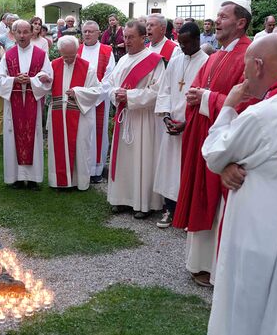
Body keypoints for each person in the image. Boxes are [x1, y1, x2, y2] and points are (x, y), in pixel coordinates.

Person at [203, 33, 277, 335]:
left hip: (259, 235)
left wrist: (228, 107)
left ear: (257, 65)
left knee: (248, 308)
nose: (242, 75)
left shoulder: (263, 114)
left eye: (245, 67)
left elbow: (214, 152)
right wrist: (231, 165)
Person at [172, 1, 254, 287]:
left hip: (227, 145)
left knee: (218, 205)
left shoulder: (249, 55)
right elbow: (196, 90)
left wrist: (205, 98)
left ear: (241, 23)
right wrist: (199, 98)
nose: (216, 21)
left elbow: (248, 100)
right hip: (203, 137)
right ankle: (199, 262)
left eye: (223, 16)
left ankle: (217, 268)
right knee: (201, 197)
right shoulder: (216, 55)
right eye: (216, 16)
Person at [106, 20, 165, 217]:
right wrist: (117, 94)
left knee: (142, 158)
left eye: (131, 37)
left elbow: (158, 91)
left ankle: (143, 203)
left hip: (143, 119)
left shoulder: (154, 61)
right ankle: (121, 198)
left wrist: (129, 96)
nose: (127, 41)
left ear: (143, 37)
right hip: (125, 116)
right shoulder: (122, 60)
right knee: (123, 159)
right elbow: (109, 85)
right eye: (125, 37)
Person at [153, 22, 209, 228]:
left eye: (186, 43)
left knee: (187, 169)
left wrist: (186, 123)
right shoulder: (176, 61)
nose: (182, 47)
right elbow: (165, 90)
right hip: (171, 124)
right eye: (180, 43)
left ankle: (187, 214)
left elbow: (205, 97)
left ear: (197, 40)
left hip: (191, 125)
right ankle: (170, 209)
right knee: (169, 168)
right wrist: (166, 117)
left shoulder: (207, 63)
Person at [0, 20, 53, 190]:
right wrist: (14, 80)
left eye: (26, 32)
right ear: (14, 33)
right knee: (13, 138)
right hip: (14, 104)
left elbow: (48, 77)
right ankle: (17, 177)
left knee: (33, 137)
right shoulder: (9, 55)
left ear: (32, 33)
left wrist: (32, 80)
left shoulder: (41, 54)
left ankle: (33, 178)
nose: (22, 36)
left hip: (32, 103)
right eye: (19, 32)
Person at [47, 36, 101, 191]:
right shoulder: (53, 65)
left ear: (77, 51)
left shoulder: (87, 68)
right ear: (59, 52)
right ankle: (59, 181)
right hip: (58, 112)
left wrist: (77, 92)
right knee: (58, 148)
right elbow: (46, 87)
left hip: (80, 115)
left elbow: (96, 90)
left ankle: (79, 181)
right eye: (65, 56)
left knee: (80, 148)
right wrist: (44, 80)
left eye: (72, 56)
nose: (69, 59)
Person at [77, 20, 115, 184]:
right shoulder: (77, 50)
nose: (87, 34)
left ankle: (96, 170)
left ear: (99, 33)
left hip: (98, 100)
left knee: (98, 134)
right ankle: (80, 167)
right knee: (81, 135)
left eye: (91, 31)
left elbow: (109, 78)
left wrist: (93, 96)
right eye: (85, 31)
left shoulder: (107, 51)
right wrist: (82, 95)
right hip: (79, 101)